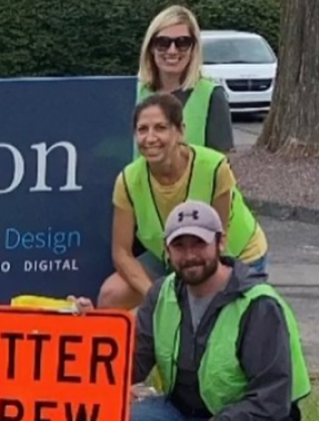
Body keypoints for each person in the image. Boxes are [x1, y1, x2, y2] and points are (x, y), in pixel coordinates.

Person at [76, 200, 310, 421]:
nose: (190, 255)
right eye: (179, 246)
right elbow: (133, 364)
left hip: (260, 418)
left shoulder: (258, 304)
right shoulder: (162, 293)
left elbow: (271, 400)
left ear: (221, 242)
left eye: (199, 243)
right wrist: (91, 334)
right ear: (167, 252)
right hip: (185, 411)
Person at [97, 93, 267, 310]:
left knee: (214, 317)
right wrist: (156, 297)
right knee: (111, 295)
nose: (150, 138)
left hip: (231, 254)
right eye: (142, 130)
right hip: (173, 256)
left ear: (180, 131)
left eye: (160, 128)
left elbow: (218, 245)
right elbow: (121, 253)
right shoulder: (128, 180)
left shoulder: (215, 168)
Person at [136, 4, 233, 153]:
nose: (172, 51)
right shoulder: (134, 93)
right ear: (151, 48)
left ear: (193, 48)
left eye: (182, 42)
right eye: (163, 43)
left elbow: (220, 166)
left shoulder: (211, 95)